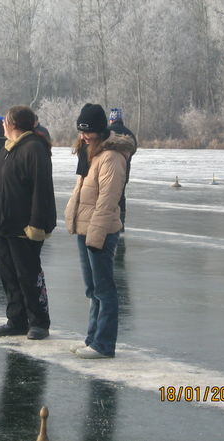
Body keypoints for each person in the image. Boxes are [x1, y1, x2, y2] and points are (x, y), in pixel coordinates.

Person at [0, 105, 56, 340]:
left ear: (12, 124)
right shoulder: (8, 148)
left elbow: (42, 190)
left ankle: (39, 322)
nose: (2, 124)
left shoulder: (34, 148)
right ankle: (16, 320)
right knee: (8, 276)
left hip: (23, 227)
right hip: (0, 225)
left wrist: (37, 224)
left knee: (28, 276)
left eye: (5, 122)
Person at [65, 103, 136, 359]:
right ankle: (92, 338)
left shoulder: (112, 158)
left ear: (100, 131)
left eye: (88, 132)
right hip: (86, 228)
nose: (83, 136)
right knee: (91, 289)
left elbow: (108, 200)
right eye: (81, 131)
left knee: (104, 289)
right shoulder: (89, 152)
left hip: (101, 231)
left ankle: (103, 345)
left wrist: (96, 235)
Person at [108, 108, 138, 231]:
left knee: (107, 195)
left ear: (111, 119)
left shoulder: (107, 132)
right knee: (121, 196)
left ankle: (109, 223)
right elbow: (134, 150)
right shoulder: (129, 133)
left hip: (108, 170)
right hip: (124, 170)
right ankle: (121, 222)